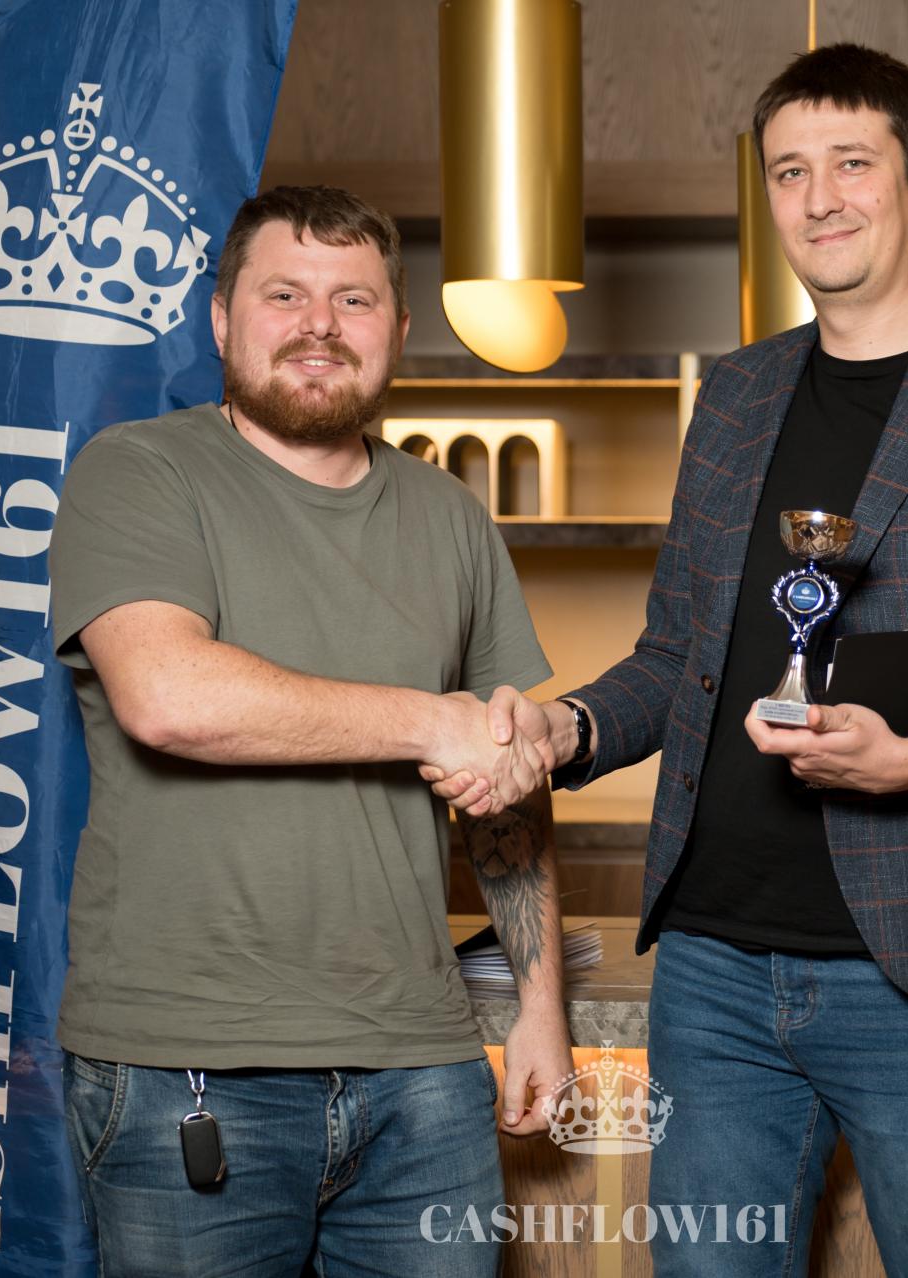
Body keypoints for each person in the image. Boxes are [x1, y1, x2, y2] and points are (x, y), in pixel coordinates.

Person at [433, 44, 908, 1275]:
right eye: (788, 171)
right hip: (715, 965)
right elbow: (680, 655)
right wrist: (570, 731)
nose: (819, 198)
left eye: (853, 164)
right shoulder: (738, 393)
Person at [49, 184, 572, 1276]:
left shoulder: (450, 515)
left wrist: (540, 1011)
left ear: (399, 330)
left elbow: (506, 788)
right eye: (284, 293)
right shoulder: (136, 471)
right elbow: (168, 697)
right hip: (188, 1071)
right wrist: (432, 721)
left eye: (354, 299)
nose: (319, 324)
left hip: (423, 1075)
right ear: (221, 317)